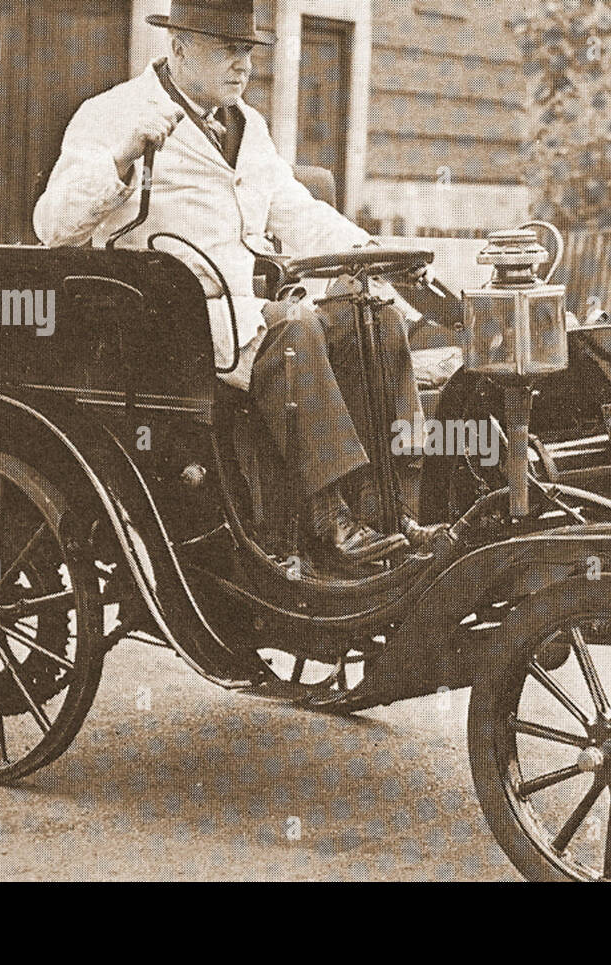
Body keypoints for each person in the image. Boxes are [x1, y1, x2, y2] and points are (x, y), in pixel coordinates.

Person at [33, 0, 422, 567]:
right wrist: (121, 158)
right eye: (226, 48)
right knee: (294, 328)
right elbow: (53, 226)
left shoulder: (248, 123)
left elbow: (292, 209)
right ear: (180, 46)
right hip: (168, 324)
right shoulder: (113, 113)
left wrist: (371, 254)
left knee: (373, 320)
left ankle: (392, 513)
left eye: (247, 50)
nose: (243, 64)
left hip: (245, 315)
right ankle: (326, 523)